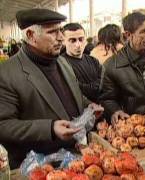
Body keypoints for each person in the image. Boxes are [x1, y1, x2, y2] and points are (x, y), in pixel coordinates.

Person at [0, 9, 102, 168]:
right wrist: (50, 128)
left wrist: (87, 105)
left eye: (60, 30)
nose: (61, 37)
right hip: (37, 167)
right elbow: (3, 125)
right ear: (31, 36)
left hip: (72, 158)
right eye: (52, 32)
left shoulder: (61, 62)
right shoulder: (7, 73)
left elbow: (72, 94)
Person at [61, 23, 103, 102]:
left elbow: (104, 82)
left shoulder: (93, 61)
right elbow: (72, 90)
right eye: (72, 40)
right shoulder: (60, 64)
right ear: (63, 41)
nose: (78, 44)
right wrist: (95, 87)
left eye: (81, 39)